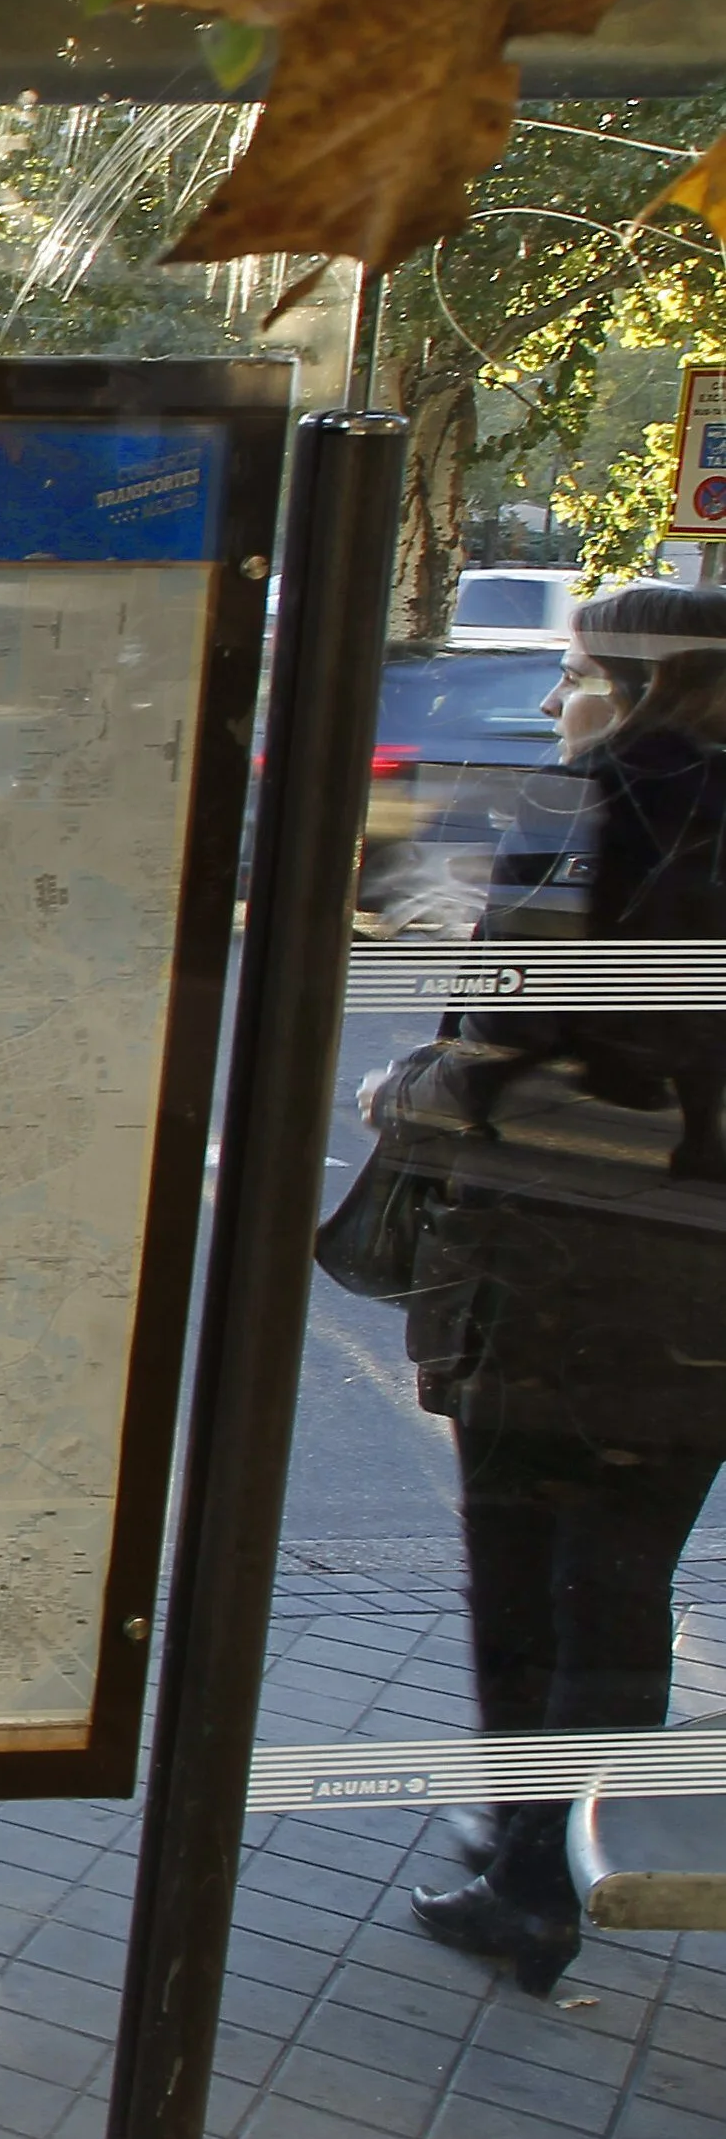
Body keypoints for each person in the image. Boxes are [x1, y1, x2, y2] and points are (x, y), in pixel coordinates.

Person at [379, 579, 726, 1991]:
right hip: (706, 1298)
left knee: (526, 1585)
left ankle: (528, 1871)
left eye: (573, 669)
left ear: (642, 683)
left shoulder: (588, 816)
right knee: (628, 1578)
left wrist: (399, 1088)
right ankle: (561, 1844)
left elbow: (494, 1064)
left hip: (555, 1275)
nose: (548, 697)